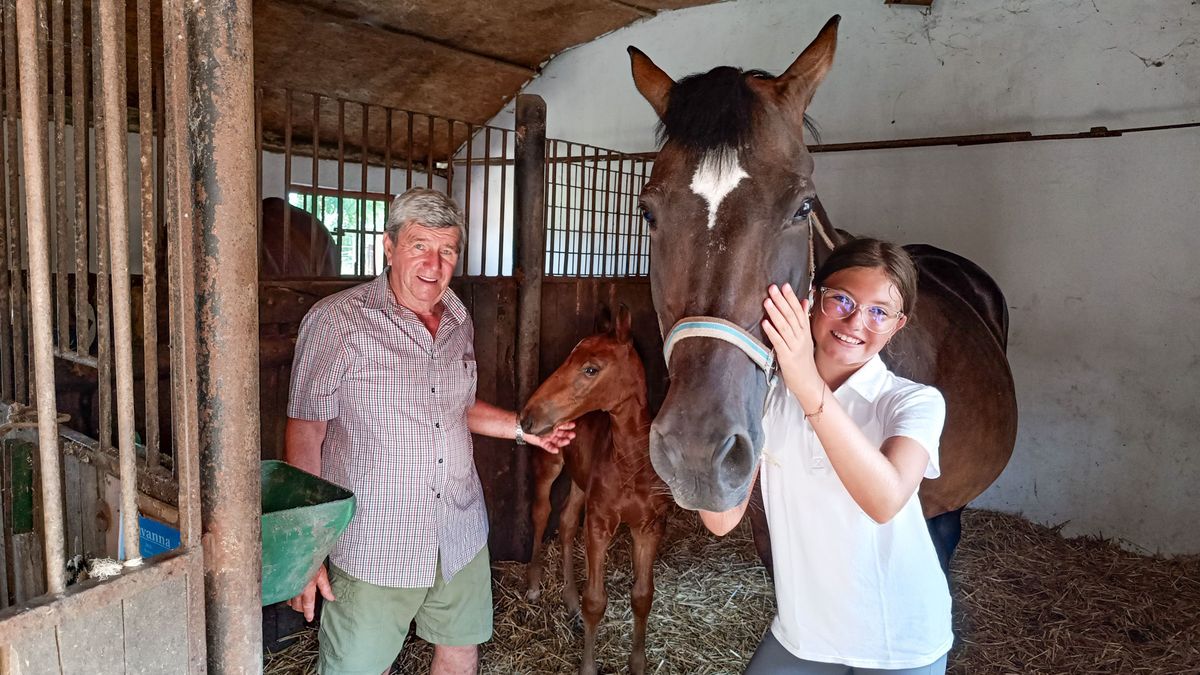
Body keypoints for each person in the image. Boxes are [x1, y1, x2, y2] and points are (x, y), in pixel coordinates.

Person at [284, 187, 575, 675]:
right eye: (419, 245)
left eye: (447, 250)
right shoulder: (336, 321)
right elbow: (306, 432)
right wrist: (307, 548)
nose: (433, 263)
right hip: (378, 539)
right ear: (389, 246)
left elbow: (456, 407)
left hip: (458, 532)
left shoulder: (458, 317)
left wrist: (525, 431)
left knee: (460, 653)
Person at [700, 238, 951, 674]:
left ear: (897, 324)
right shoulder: (768, 398)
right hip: (803, 634)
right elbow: (721, 522)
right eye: (842, 299)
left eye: (879, 311)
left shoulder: (913, 402)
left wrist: (800, 375)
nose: (857, 321)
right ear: (812, 299)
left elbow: (884, 499)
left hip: (897, 639)